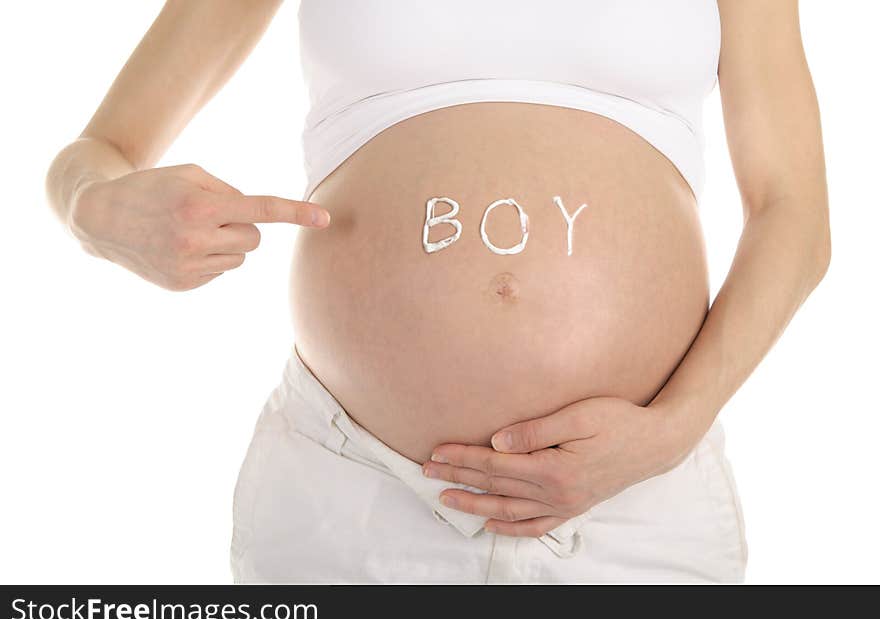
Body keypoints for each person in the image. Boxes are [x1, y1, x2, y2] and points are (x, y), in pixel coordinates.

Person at [46, 0, 830, 583]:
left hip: (630, 505)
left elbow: (795, 214)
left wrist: (672, 429)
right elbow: (98, 153)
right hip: (351, 497)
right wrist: (95, 207)